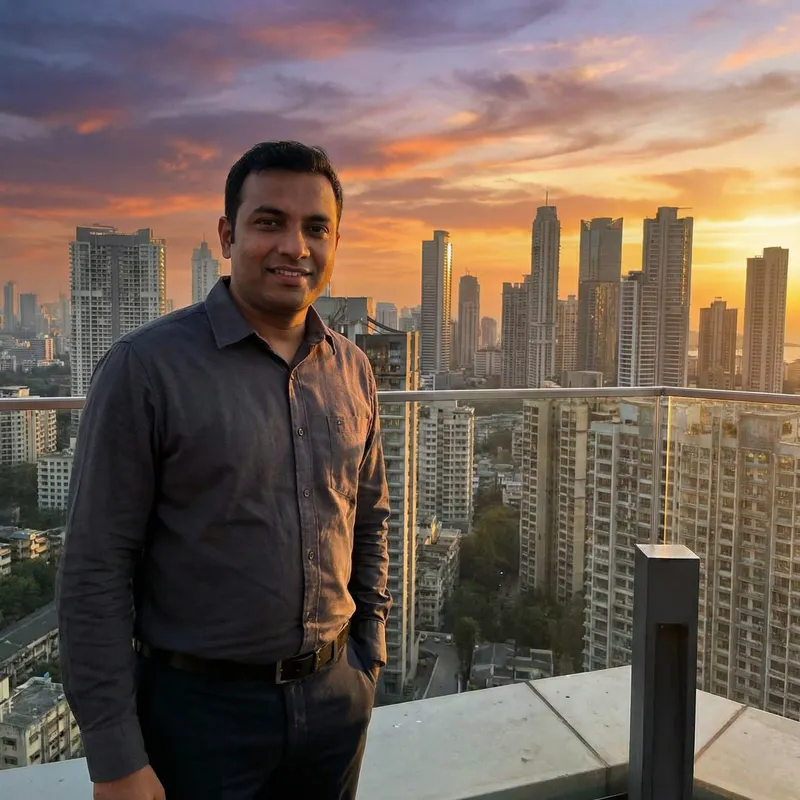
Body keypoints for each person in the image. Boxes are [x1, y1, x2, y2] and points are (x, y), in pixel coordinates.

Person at [57, 141, 392, 800]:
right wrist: (115, 756)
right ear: (227, 234)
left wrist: (366, 656)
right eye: (270, 222)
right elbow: (95, 566)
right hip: (196, 718)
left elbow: (371, 518)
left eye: (315, 228)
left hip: (332, 706)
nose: (294, 246)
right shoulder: (146, 368)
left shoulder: (351, 368)